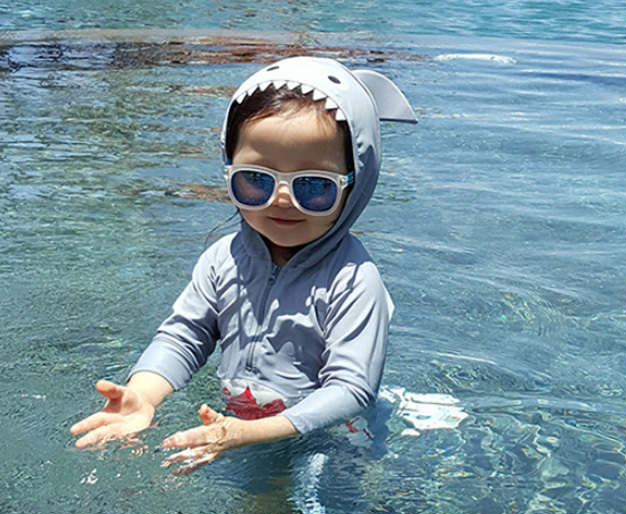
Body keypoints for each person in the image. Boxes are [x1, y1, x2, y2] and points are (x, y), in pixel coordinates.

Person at [70, 55, 417, 475]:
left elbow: (351, 390)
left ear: (355, 185)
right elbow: (185, 336)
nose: (283, 200)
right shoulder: (223, 259)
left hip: (328, 441)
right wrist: (143, 394)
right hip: (235, 427)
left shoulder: (354, 280)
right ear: (229, 171)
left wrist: (251, 433)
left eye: (313, 185)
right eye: (257, 180)